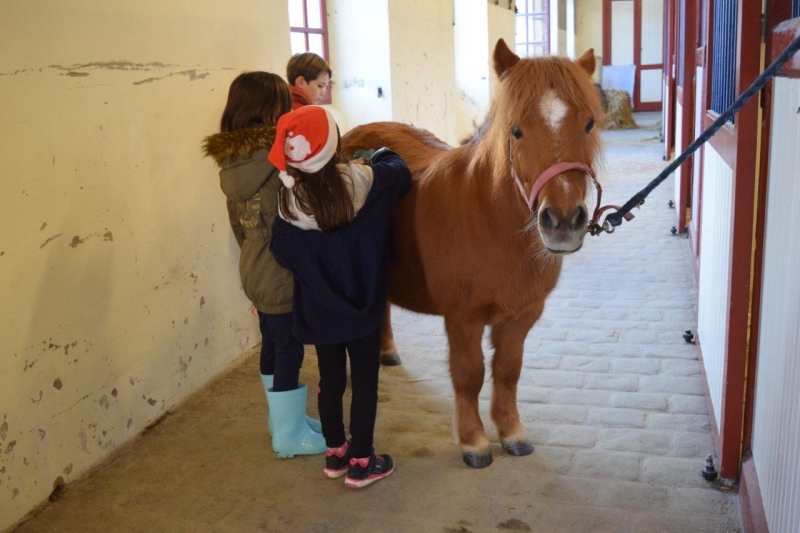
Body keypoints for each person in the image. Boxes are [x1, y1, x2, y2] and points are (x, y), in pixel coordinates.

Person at [268, 106, 411, 488]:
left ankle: (336, 453)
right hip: (363, 310)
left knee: (330, 381)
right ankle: (364, 460)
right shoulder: (366, 180)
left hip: (319, 312)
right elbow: (400, 172)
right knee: (365, 382)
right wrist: (380, 153)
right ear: (334, 145)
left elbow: (281, 250)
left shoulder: (287, 204)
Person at [202, 72, 326, 458]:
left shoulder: (232, 164)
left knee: (273, 343)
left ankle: (282, 420)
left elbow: (240, 228)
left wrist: (253, 258)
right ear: (270, 109)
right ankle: (288, 436)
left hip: (254, 268)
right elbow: (297, 218)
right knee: (289, 347)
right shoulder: (276, 161)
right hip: (281, 271)